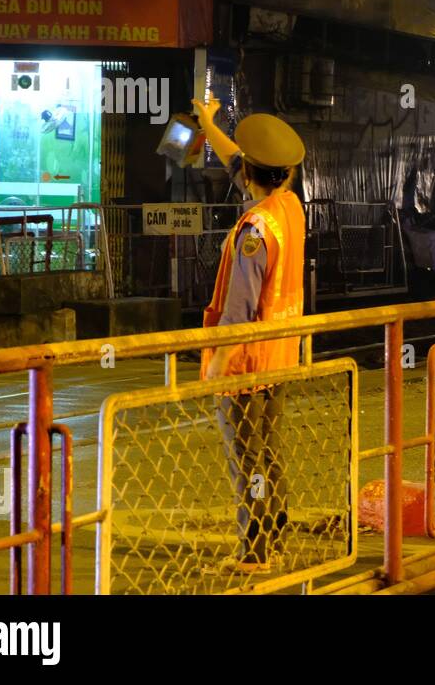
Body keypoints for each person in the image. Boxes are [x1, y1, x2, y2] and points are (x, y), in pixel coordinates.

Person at [191, 98, 306, 574]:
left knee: (247, 460)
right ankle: (276, 530)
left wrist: (217, 369)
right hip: (281, 356)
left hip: (247, 364)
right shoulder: (290, 208)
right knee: (267, 449)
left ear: (250, 177)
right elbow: (237, 159)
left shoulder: (253, 231)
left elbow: (238, 312)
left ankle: (255, 549)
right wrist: (207, 124)